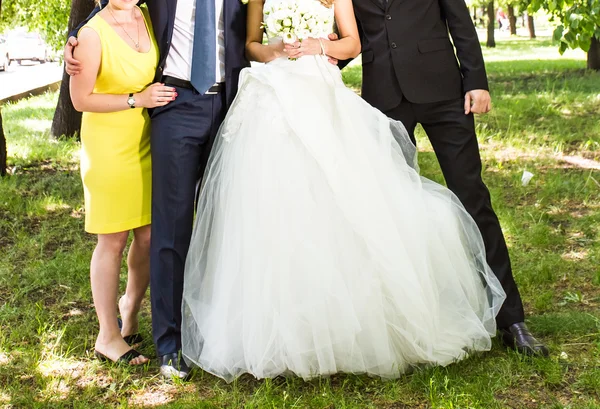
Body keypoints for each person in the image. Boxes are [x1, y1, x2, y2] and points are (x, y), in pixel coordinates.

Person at [180, 0, 506, 382]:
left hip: (377, 89)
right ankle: (288, 326)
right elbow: (255, 43)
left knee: (378, 199)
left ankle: (506, 317)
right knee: (281, 202)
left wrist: (320, 47)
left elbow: (360, 41)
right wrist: (279, 54)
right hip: (297, 93)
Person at [346, 0, 548, 355]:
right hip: (384, 99)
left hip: (444, 93)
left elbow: (461, 22)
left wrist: (476, 82)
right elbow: (350, 37)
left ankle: (512, 319)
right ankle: (408, 322)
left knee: (473, 199)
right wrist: (309, 50)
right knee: (391, 208)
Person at [65, 0, 249, 378]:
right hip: (174, 105)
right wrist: (75, 37)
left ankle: (218, 330)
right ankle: (170, 344)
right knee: (170, 226)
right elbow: (112, 8)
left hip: (229, 105)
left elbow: (249, 33)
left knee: (223, 223)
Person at [69, 0, 175, 365]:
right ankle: (107, 336)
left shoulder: (148, 14)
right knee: (112, 240)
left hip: (146, 139)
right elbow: (80, 99)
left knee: (147, 235)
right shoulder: (91, 34)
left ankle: (128, 311)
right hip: (109, 147)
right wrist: (136, 99)